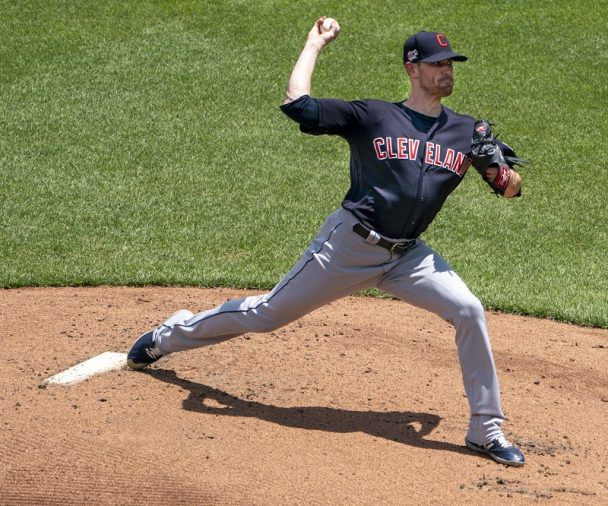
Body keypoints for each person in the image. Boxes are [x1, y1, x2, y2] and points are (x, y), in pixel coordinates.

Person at [127, 17, 525, 466]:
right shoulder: (375, 115)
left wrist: (501, 170)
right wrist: (313, 44)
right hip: (348, 247)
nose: (446, 70)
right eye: (437, 64)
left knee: (468, 309)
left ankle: (485, 428)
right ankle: (169, 335)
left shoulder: (465, 131)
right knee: (265, 314)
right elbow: (297, 105)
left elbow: (509, 189)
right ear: (413, 69)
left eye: (450, 63)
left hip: (408, 256)